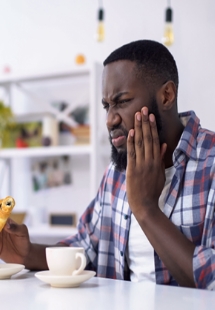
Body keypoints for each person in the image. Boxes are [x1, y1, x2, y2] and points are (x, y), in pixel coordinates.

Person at [1, 40, 215, 289]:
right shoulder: (116, 172)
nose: (110, 119)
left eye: (122, 101)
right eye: (106, 106)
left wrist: (146, 209)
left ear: (166, 95)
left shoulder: (209, 163)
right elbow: (84, 248)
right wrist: (25, 254)